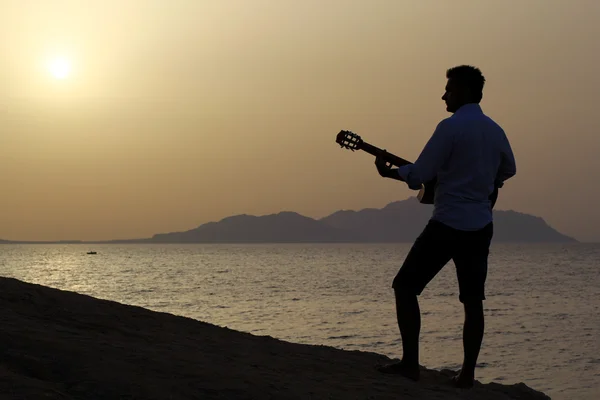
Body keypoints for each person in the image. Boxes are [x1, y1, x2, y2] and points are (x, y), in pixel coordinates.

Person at [373, 65, 516, 388]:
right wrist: (489, 183)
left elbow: (420, 173)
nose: (443, 95)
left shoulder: (449, 128)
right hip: (480, 225)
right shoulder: (495, 130)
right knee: (472, 300)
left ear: (464, 91)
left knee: (405, 286)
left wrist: (390, 173)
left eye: (449, 89)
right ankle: (467, 375)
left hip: (448, 221)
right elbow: (509, 168)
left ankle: (410, 364)